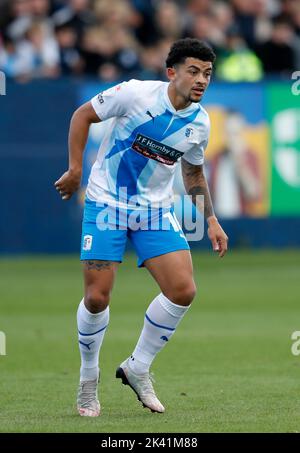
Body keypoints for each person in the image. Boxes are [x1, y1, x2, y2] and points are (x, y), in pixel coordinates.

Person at [55, 38, 228, 417]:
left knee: (183, 290)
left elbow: (193, 170)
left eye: (208, 74)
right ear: (172, 72)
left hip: (153, 211)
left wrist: (210, 219)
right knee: (97, 298)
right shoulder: (135, 94)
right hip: (106, 204)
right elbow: (82, 115)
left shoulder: (199, 122)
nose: (201, 80)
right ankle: (88, 378)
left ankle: (138, 367)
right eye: (194, 71)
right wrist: (75, 169)